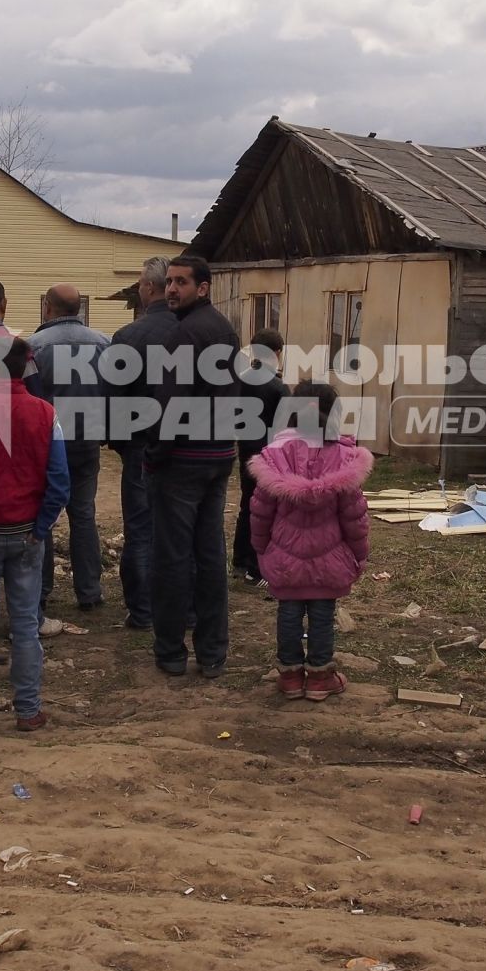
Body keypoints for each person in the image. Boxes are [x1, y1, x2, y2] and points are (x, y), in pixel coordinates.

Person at [0, 337, 69, 733]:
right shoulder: (44, 413)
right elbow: (59, 480)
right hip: (25, 536)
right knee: (24, 625)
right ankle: (27, 710)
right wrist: (40, 529)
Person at [145, 254, 240, 678]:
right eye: (168, 282)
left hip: (183, 460)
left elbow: (170, 405)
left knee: (171, 558)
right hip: (218, 455)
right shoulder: (223, 329)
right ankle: (213, 652)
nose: (171, 289)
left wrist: (155, 455)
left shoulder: (184, 335)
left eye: (181, 282)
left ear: (203, 288)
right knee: (210, 554)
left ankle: (170, 651)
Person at [249, 381, 372, 701]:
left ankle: (289, 676)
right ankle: (319, 677)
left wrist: (260, 547)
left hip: (284, 556)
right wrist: (359, 555)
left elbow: (260, 512)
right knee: (322, 614)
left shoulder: (275, 456)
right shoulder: (344, 458)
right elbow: (354, 517)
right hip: (330, 559)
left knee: (288, 612)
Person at [29, 283, 109, 615]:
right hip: (87, 440)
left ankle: (41, 590)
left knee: (42, 518)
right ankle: (89, 591)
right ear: (79, 308)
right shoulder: (105, 344)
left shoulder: (33, 347)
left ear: (48, 307)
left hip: (47, 443)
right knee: (84, 515)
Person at [106, 257, 174, 630]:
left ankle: (143, 611)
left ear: (149, 288)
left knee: (141, 527)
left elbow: (114, 398)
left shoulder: (129, 337)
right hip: (188, 444)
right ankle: (186, 608)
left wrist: (120, 442)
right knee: (183, 527)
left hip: (141, 446)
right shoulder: (198, 332)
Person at [231, 328, 288, 584]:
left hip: (245, 450)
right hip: (270, 454)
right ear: (277, 353)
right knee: (267, 510)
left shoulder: (239, 381)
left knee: (247, 505)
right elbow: (287, 427)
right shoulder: (278, 388)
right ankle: (257, 566)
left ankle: (240, 560)